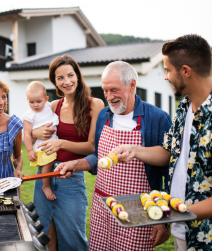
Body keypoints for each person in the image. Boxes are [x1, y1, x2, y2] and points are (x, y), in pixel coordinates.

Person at [55, 61, 172, 250]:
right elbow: (99, 156)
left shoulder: (157, 118)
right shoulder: (103, 115)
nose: (109, 97)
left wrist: (163, 218)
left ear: (132, 85)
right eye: (105, 90)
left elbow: (169, 164)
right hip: (103, 207)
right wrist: (76, 164)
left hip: (138, 210)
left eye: (114, 90)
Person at [111, 34, 212, 251]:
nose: (165, 77)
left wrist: (177, 210)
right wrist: (134, 150)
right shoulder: (184, 106)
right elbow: (169, 152)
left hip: (205, 235)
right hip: (181, 228)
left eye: (167, 70)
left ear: (186, 71)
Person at [31, 55, 104, 251]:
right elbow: (34, 131)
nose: (66, 81)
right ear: (54, 82)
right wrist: (34, 132)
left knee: (73, 240)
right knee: (44, 234)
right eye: (60, 78)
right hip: (44, 175)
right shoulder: (53, 106)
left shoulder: (95, 104)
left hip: (71, 177)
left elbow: (92, 147)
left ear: (78, 76)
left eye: (70, 75)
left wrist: (62, 143)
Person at [23, 81, 59, 200]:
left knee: (51, 163)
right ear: (27, 100)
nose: (35, 105)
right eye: (31, 102)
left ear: (46, 99)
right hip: (42, 145)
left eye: (39, 101)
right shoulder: (29, 115)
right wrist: (29, 150)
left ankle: (47, 185)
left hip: (54, 141)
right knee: (47, 164)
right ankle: (45, 186)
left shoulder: (49, 106)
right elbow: (27, 134)